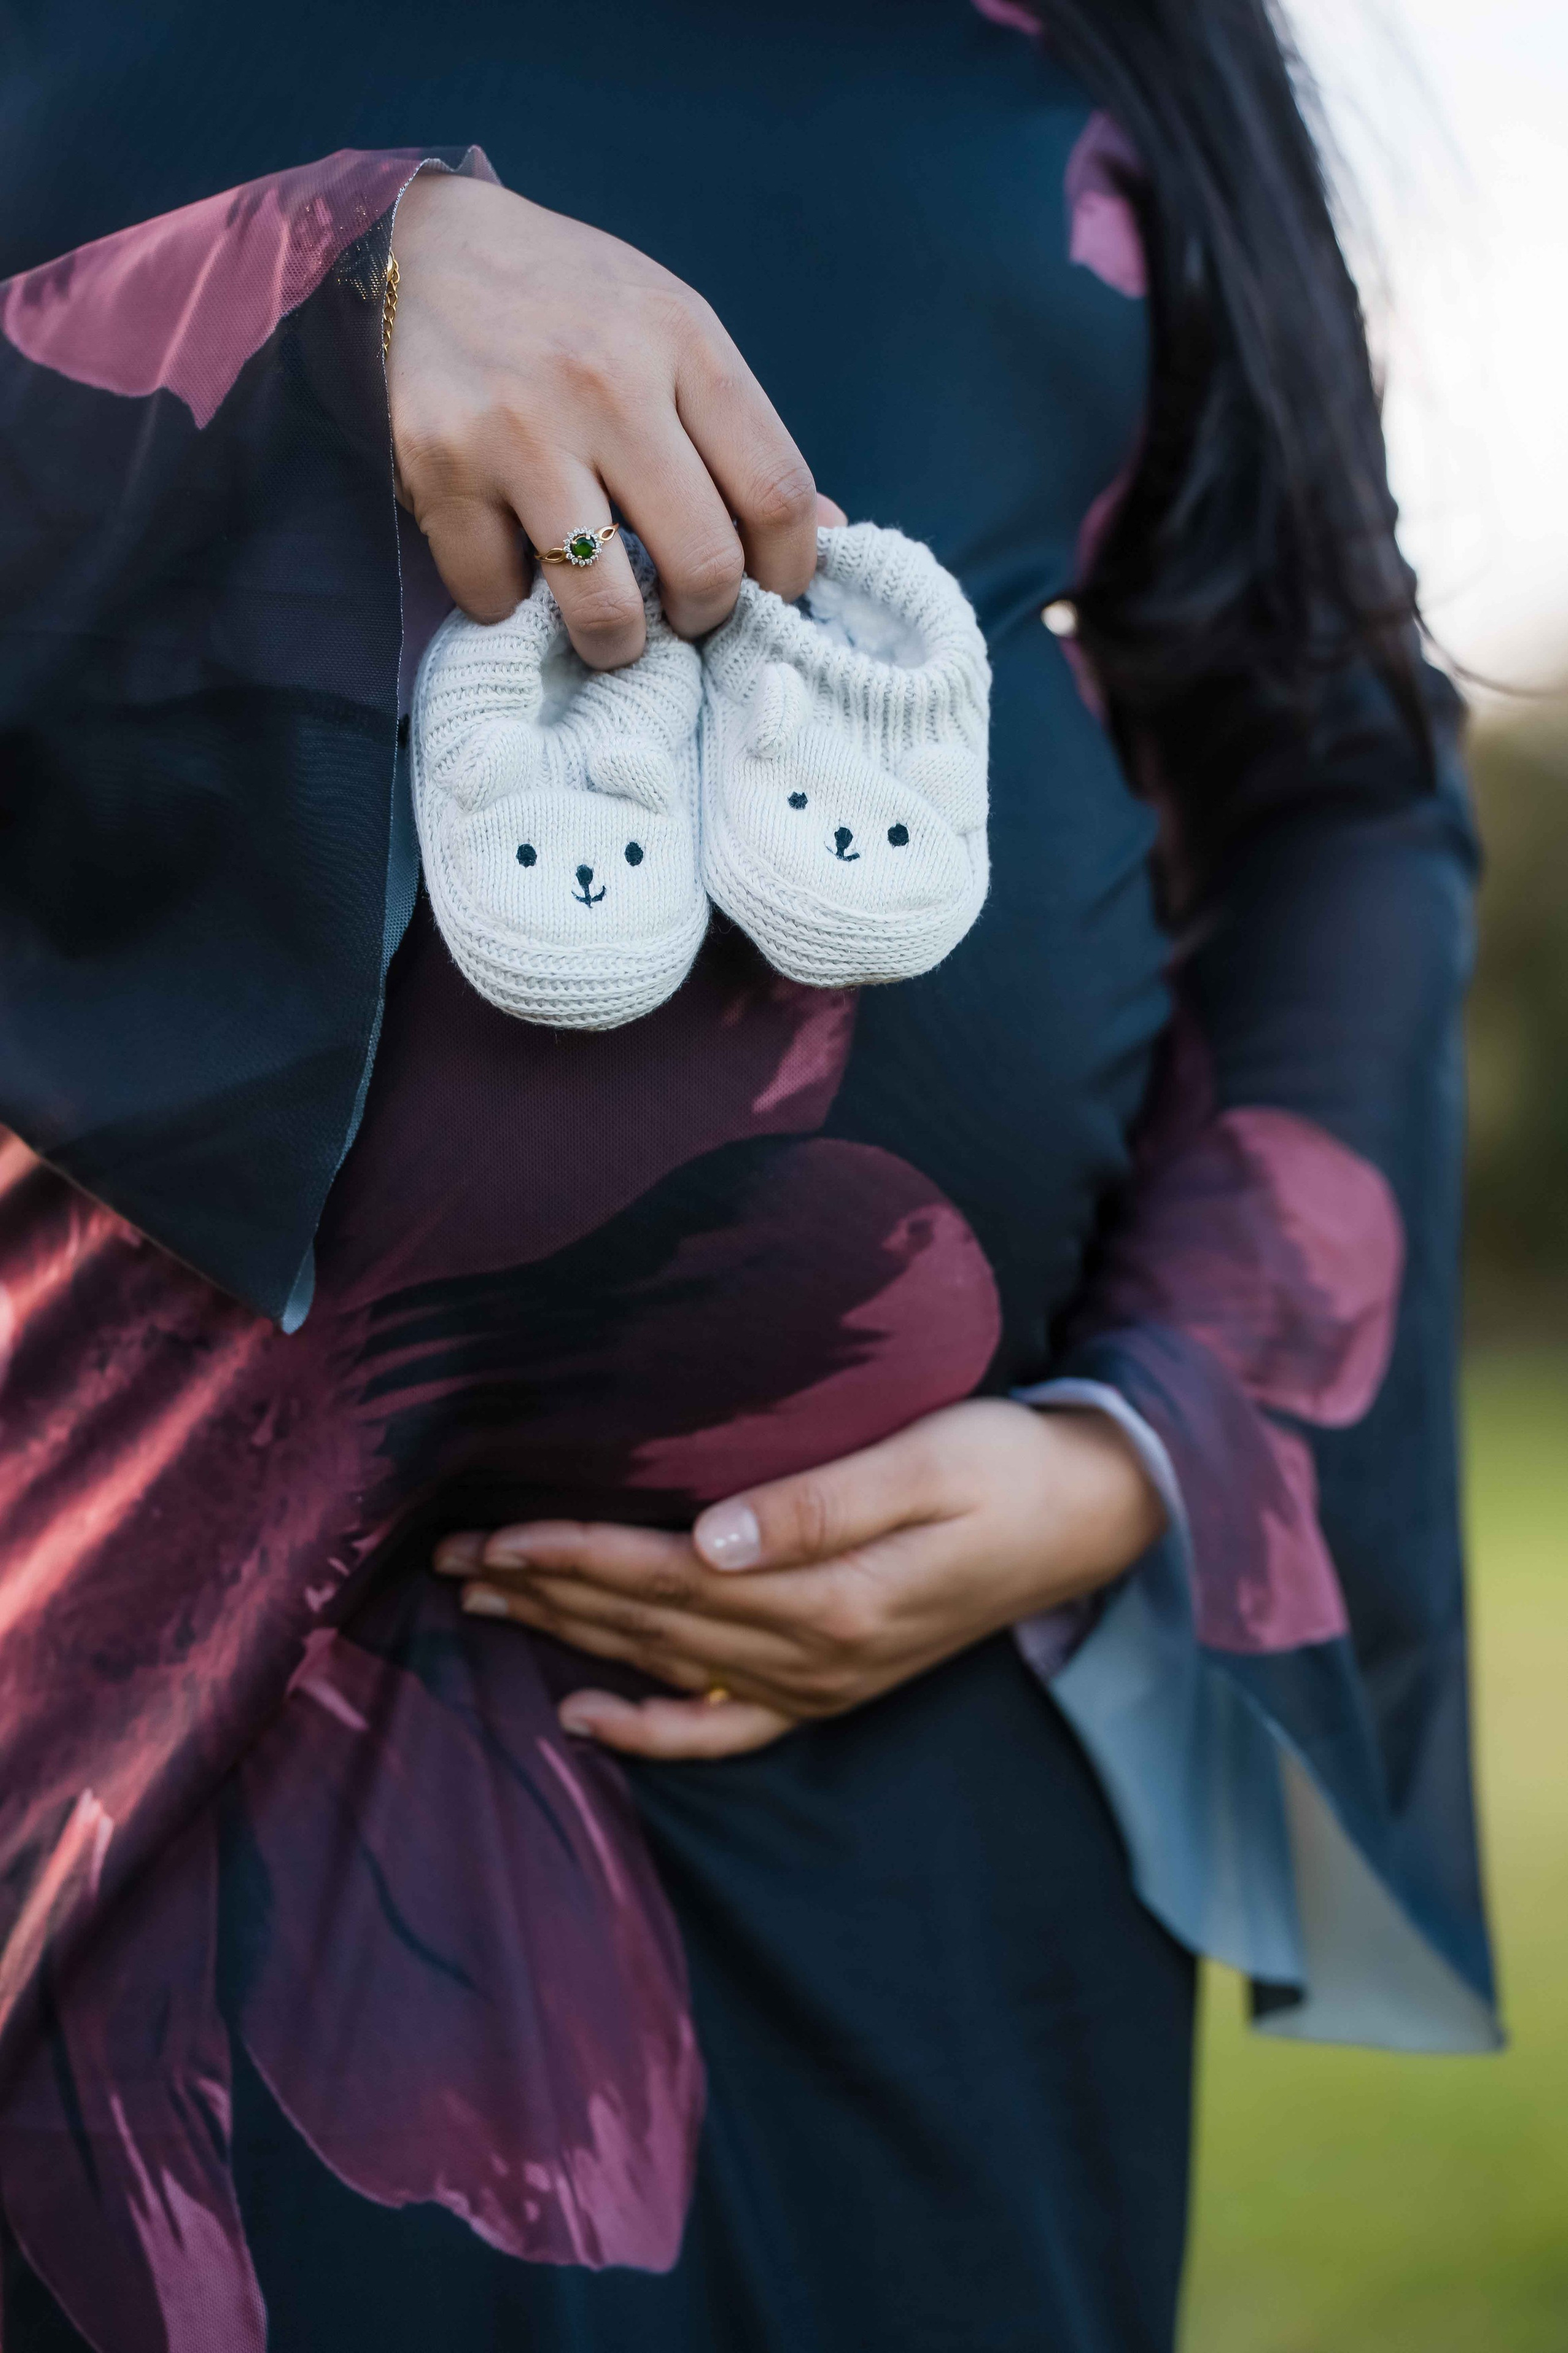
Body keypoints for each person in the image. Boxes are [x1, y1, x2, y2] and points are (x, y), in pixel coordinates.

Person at [0, 1, 1496, 2346]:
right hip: (142, 1698)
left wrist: (1153, 1437)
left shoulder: (1095, 55)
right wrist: (331, 292)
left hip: (919, 1751)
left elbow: (1332, 774)